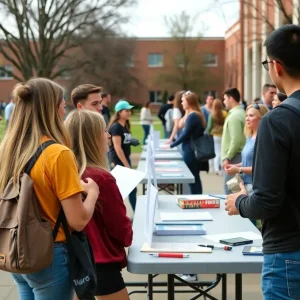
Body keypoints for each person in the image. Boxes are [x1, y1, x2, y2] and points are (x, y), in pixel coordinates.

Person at [0, 78, 99, 300]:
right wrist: (92, 194)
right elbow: (78, 220)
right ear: (52, 109)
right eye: (64, 105)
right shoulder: (58, 154)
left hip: (16, 249)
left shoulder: (7, 150)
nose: (65, 111)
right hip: (50, 255)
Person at [225, 24, 300, 299]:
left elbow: (267, 201)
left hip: (289, 252)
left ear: (276, 67)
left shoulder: (277, 121)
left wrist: (240, 202)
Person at [65, 110, 133, 300]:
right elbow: (121, 230)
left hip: (76, 259)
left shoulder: (67, 173)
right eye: (104, 131)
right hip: (101, 261)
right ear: (92, 138)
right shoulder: (101, 178)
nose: (109, 135)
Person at [225, 104, 269, 225]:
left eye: (251, 115)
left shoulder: (263, 139)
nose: (247, 119)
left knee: (251, 223)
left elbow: (260, 167)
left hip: (254, 187)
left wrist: (238, 169)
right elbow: (248, 160)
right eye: (246, 116)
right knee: (245, 222)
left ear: (261, 118)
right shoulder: (250, 137)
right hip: (245, 185)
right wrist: (235, 165)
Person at [166, 91, 206, 194]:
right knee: (195, 178)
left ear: (188, 102)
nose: (181, 103)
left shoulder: (193, 116)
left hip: (190, 151)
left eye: (183, 101)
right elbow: (180, 124)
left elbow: (185, 134)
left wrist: (172, 145)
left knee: (192, 179)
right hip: (190, 150)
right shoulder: (192, 114)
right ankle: (198, 199)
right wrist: (187, 111)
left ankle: (196, 200)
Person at [108, 100, 137, 212]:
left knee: (130, 189)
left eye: (130, 110)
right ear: (119, 112)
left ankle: (135, 213)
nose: (129, 112)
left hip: (125, 159)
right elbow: (117, 148)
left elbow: (125, 141)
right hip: (118, 161)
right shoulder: (116, 127)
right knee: (120, 192)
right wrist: (126, 165)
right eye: (127, 110)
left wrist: (131, 141)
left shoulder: (124, 126)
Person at [221, 88, 246, 195]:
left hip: (234, 157)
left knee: (231, 189)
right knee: (236, 188)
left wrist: (228, 157)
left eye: (225, 98)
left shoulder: (234, 116)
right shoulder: (240, 113)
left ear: (231, 99)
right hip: (237, 156)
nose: (224, 101)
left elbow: (235, 140)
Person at [206, 98, 227, 175]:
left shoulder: (212, 114)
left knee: (216, 152)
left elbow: (209, 127)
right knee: (222, 152)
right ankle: (222, 167)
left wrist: (207, 133)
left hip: (215, 136)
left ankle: (216, 169)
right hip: (223, 135)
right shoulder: (225, 113)